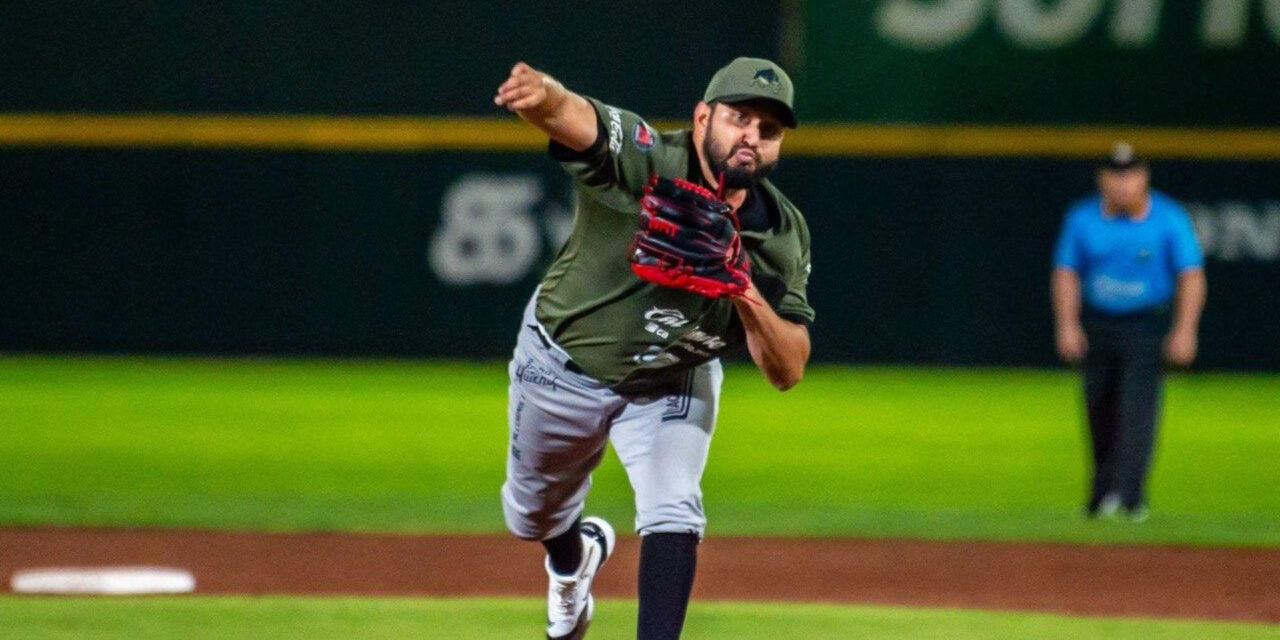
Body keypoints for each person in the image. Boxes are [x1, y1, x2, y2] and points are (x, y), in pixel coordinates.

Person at [493, 57, 814, 640]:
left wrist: (741, 286)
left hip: (674, 372)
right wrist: (543, 95)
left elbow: (788, 368)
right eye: (739, 119)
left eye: (768, 129)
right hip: (563, 362)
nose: (751, 136)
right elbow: (577, 117)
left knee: (674, 507)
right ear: (703, 118)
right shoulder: (649, 158)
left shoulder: (779, 233)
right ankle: (571, 562)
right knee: (531, 515)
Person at [1051, 142, 1206, 522]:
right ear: (1101, 179)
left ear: (1144, 178)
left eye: (1130, 174)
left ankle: (1132, 497)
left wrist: (1185, 330)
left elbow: (1190, 275)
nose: (1122, 183)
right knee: (1099, 408)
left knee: (1137, 409)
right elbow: (1066, 272)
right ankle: (1102, 493)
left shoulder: (1168, 218)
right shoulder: (1083, 218)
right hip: (1100, 322)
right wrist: (1067, 324)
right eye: (1115, 175)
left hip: (1145, 324)